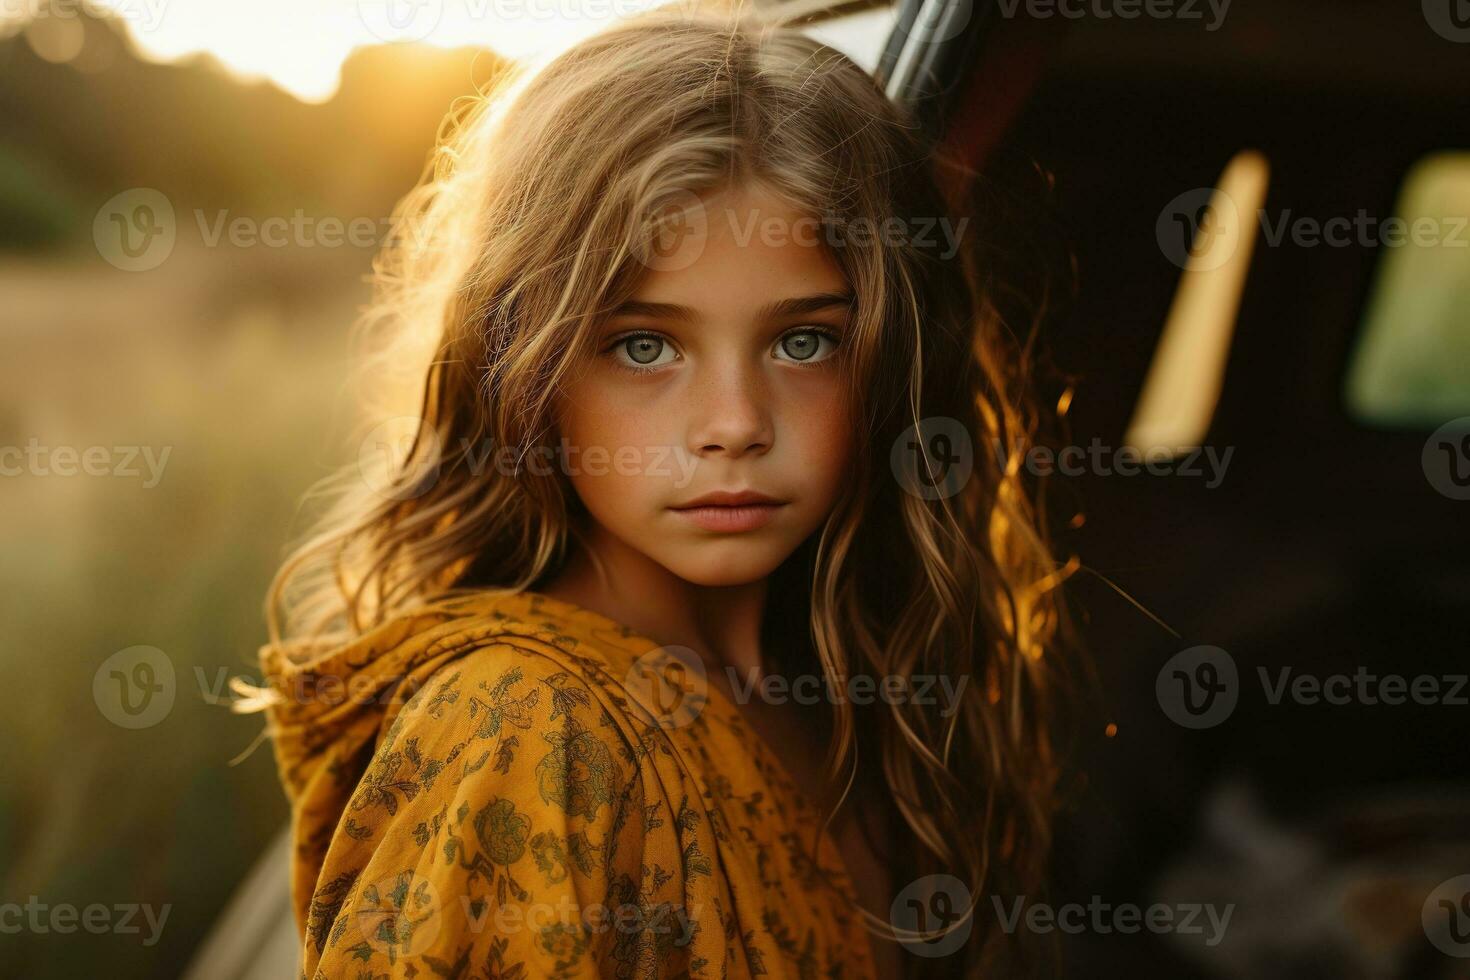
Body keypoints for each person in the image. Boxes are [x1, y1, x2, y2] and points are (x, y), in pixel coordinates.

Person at [254, 7, 1073, 976]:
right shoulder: (525, 724)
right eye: (644, 345)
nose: (734, 420)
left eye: (803, 338)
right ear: (526, 369)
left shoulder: (868, 695)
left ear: (892, 360)